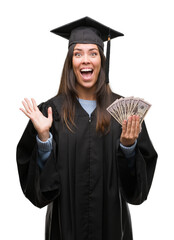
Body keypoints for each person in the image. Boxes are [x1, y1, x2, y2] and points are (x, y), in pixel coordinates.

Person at [16, 16, 157, 240]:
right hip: (64, 228)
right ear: (70, 62)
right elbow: (40, 194)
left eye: (93, 53)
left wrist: (128, 148)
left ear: (102, 60)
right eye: (78, 53)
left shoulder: (124, 115)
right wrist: (44, 140)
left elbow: (136, 192)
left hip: (112, 228)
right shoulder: (51, 112)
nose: (85, 60)